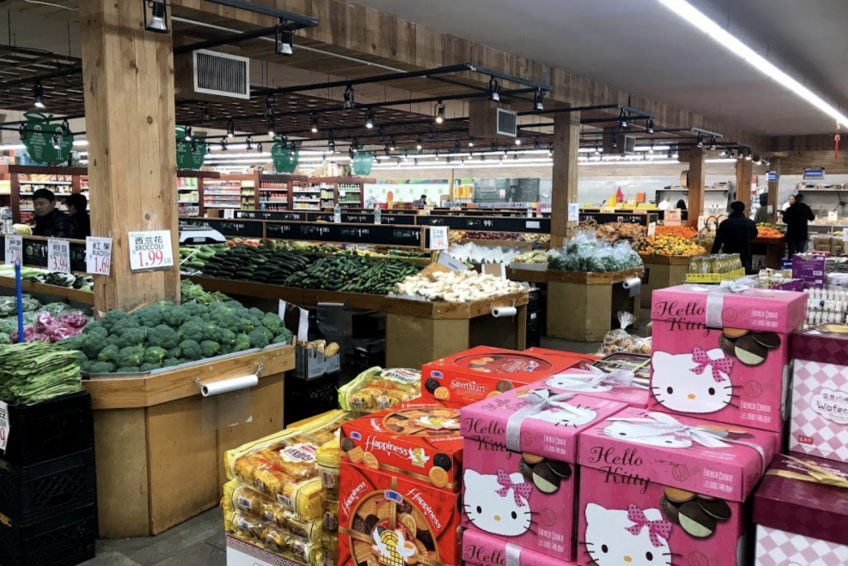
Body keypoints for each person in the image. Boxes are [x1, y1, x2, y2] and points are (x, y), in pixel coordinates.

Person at [711, 201, 758, 272]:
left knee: (729, 271)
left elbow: (718, 241)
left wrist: (713, 254)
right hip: (744, 252)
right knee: (743, 271)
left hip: (729, 253)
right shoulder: (750, 223)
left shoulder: (725, 223)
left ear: (732, 209)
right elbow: (754, 234)